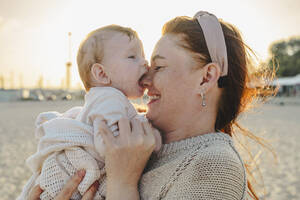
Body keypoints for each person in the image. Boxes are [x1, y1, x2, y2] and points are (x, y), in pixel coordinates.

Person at [28, 11, 274, 200]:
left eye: (159, 67)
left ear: (206, 78)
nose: (145, 80)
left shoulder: (215, 166)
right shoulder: (135, 135)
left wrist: (122, 182)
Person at [18, 25, 162, 200]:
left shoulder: (103, 100)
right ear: (101, 73)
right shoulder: (110, 98)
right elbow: (108, 146)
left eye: (143, 56)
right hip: (70, 177)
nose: (145, 63)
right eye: (132, 57)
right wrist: (149, 133)